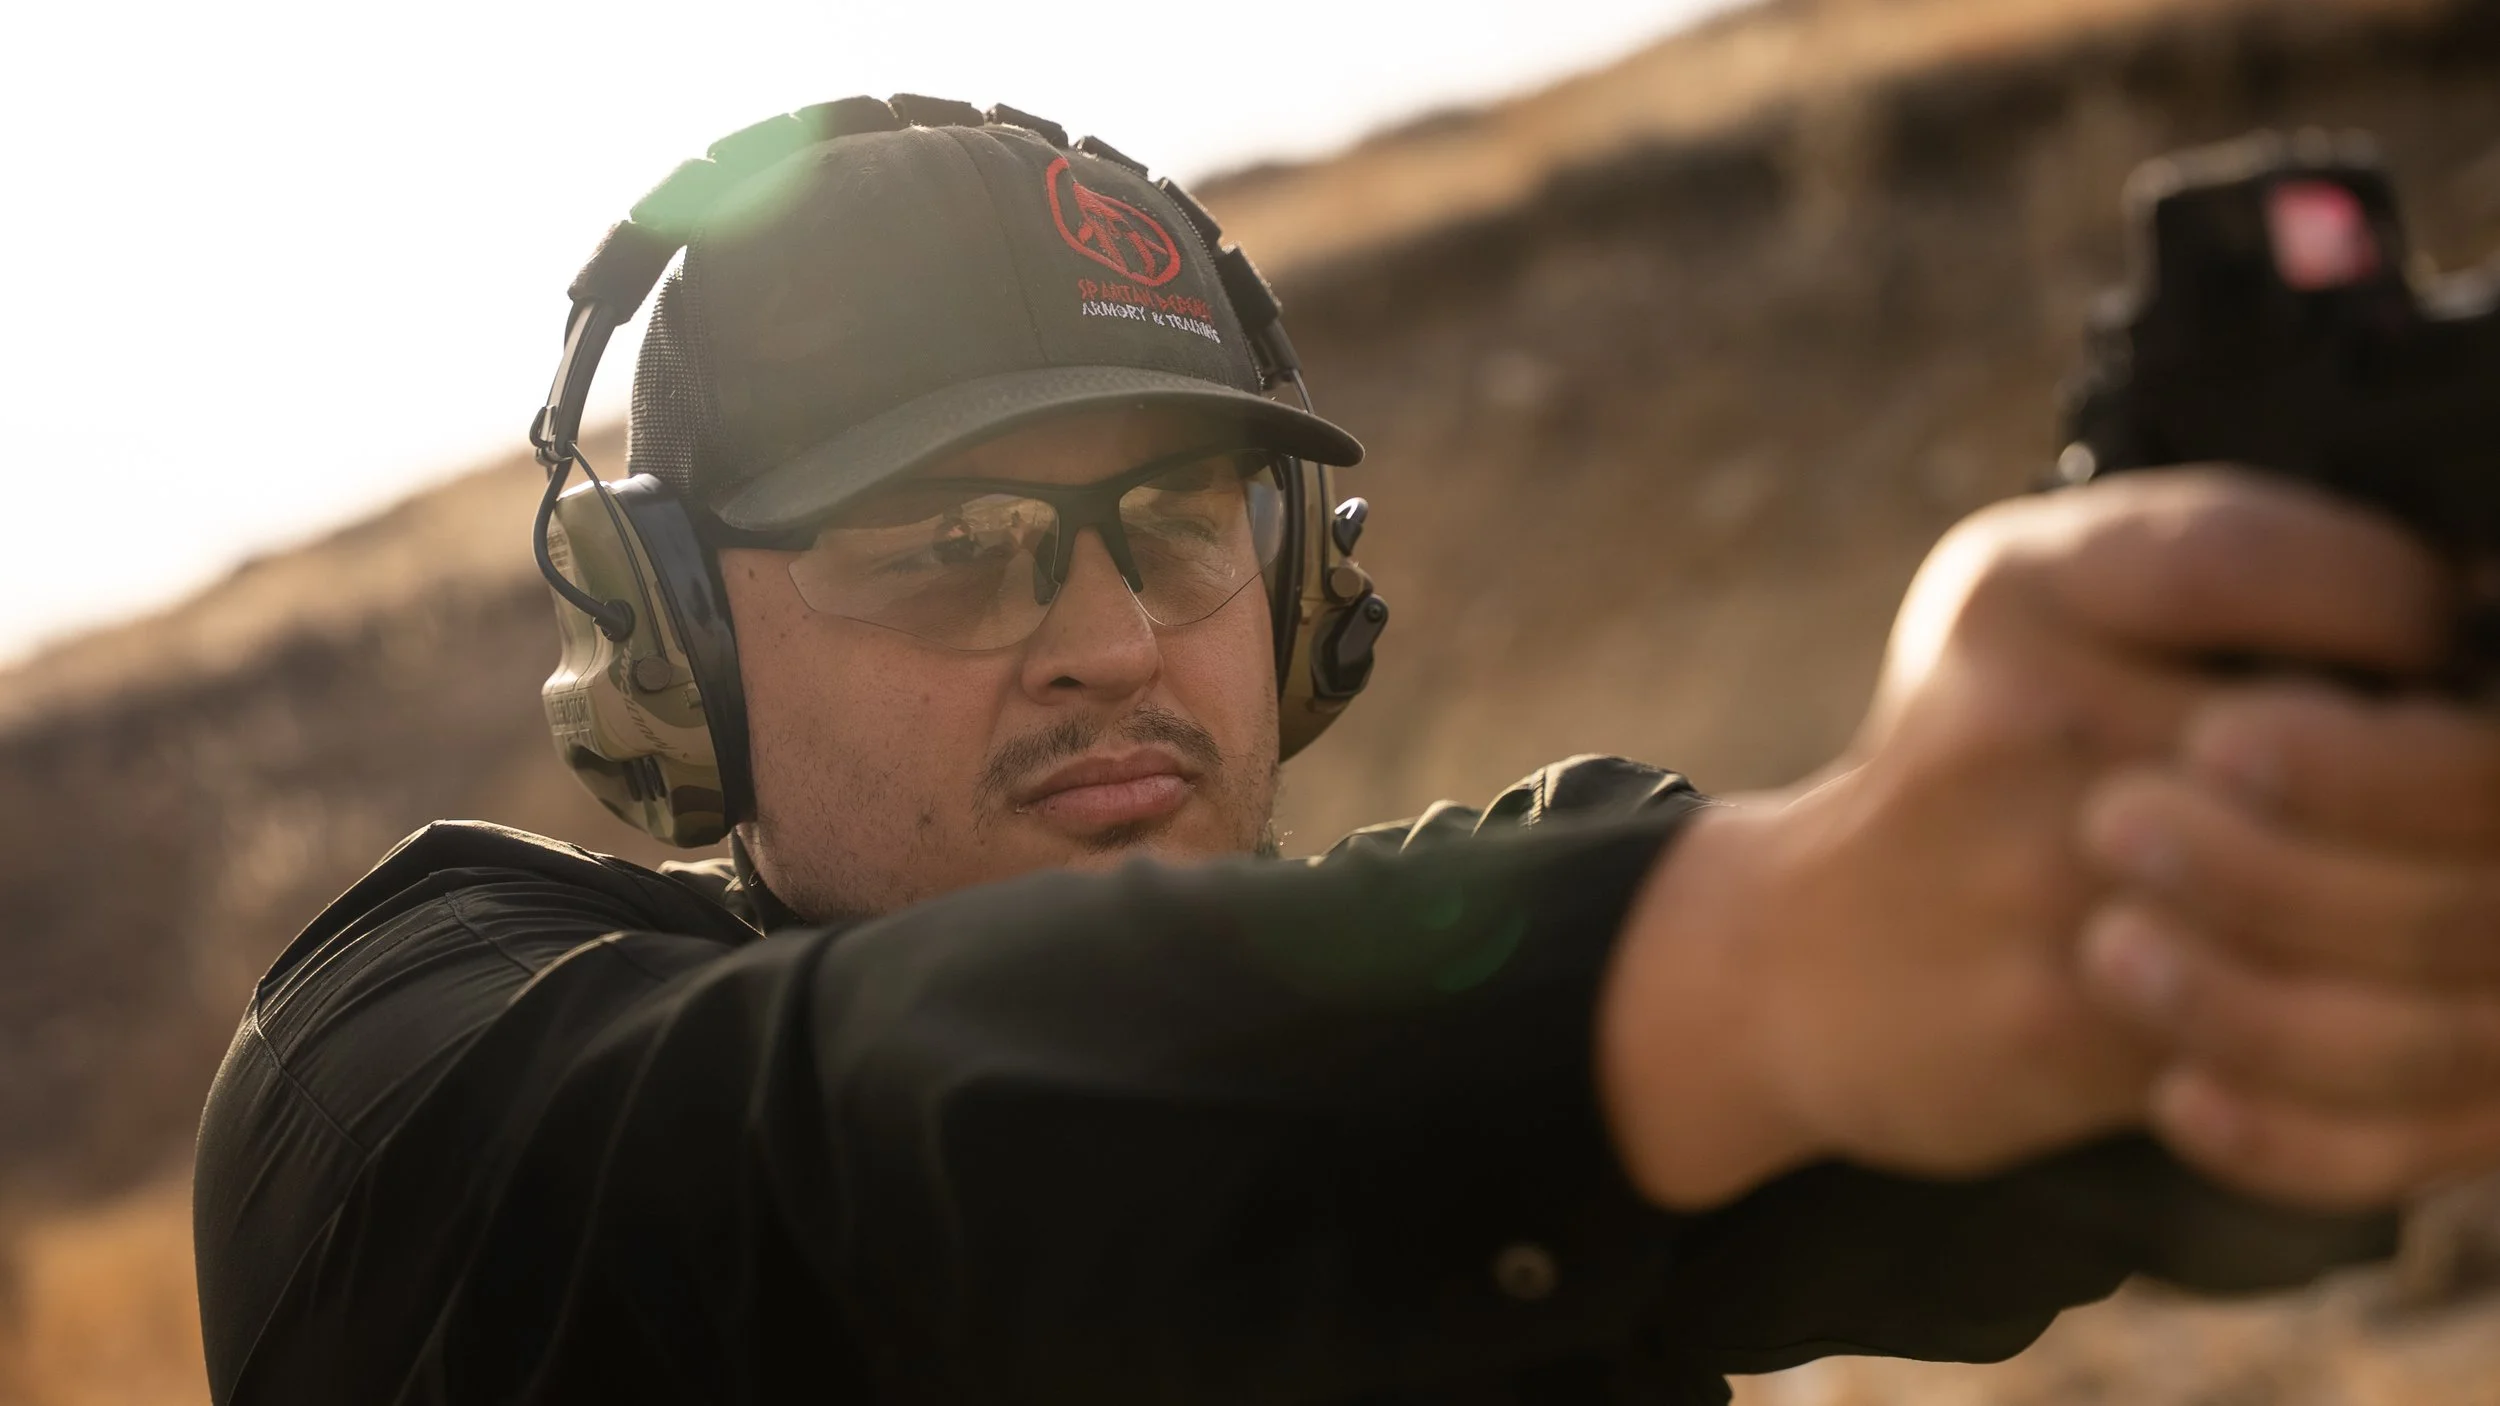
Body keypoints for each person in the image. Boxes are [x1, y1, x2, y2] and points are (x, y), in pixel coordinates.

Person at [192, 98, 2500, 1405]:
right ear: (674, 641)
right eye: (950, 547)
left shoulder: (1480, 978)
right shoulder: (411, 1085)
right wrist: (1773, 966)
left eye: (1176, 524)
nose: (1106, 633)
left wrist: (2255, 855)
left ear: (1303, 581)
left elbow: (2072, 1082)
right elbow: (870, 1140)